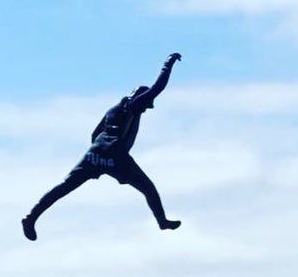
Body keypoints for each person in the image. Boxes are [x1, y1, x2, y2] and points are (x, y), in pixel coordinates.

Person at [22, 53, 183, 238]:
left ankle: (31, 217)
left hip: (95, 153)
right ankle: (162, 222)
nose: (146, 109)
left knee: (65, 186)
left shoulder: (112, 110)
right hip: (117, 156)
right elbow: (158, 87)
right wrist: (168, 64)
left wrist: (97, 163)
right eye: (147, 105)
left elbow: (94, 134)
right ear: (141, 99)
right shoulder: (132, 106)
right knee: (148, 188)